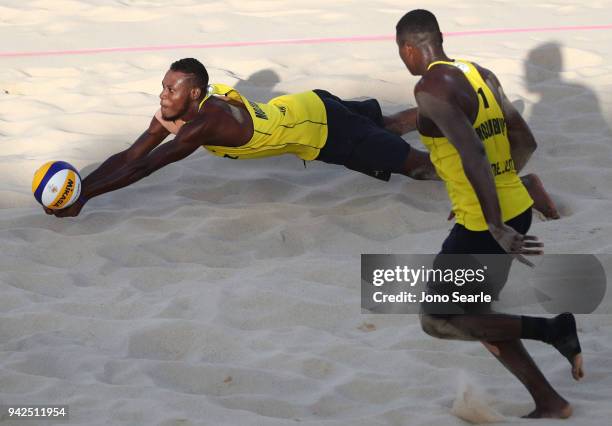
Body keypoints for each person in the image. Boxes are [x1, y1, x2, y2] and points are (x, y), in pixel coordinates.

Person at [44, 58, 557, 219]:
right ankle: (430, 111)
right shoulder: (177, 111)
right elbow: (129, 153)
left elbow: (146, 167)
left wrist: (84, 197)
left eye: (171, 88)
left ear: (196, 92)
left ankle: (522, 186)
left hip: (326, 131)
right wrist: (83, 186)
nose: (162, 94)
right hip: (311, 104)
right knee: (386, 123)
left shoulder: (207, 119)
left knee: (421, 169)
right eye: (162, 86)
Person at [396, 9, 582, 419]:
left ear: (408, 49)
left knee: (437, 318)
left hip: (487, 223)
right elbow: (524, 140)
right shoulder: (479, 74)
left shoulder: (429, 88)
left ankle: (553, 330)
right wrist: (498, 190)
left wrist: (492, 221)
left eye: (401, 52)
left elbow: (474, 153)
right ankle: (550, 401)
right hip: (512, 208)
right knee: (475, 313)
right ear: (440, 38)